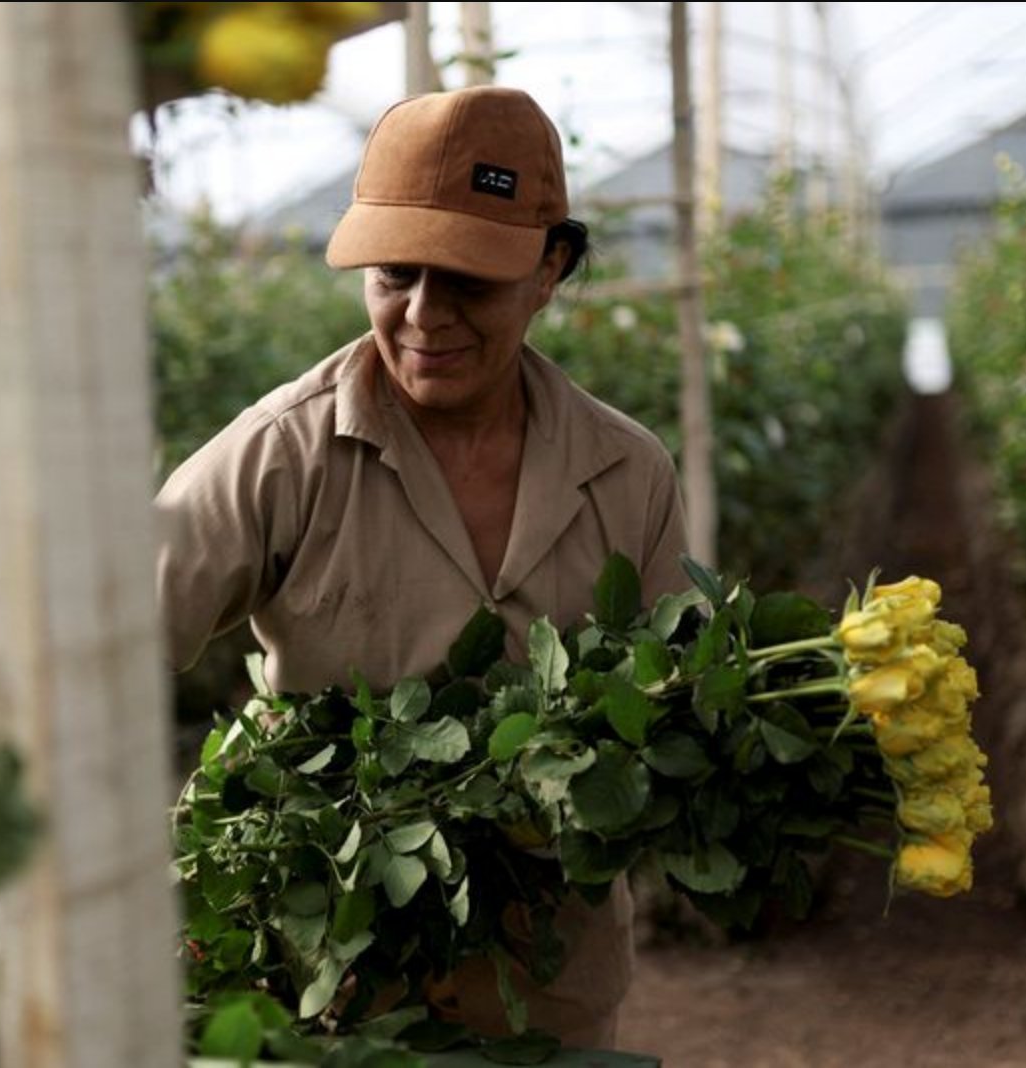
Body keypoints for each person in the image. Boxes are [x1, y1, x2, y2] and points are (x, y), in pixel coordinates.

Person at [156, 86, 688, 1050]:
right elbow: (97, 647)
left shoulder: (629, 473)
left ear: (550, 268)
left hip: (550, 984)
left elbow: (669, 705)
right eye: (393, 275)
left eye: (469, 282)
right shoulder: (282, 456)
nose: (422, 315)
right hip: (330, 988)